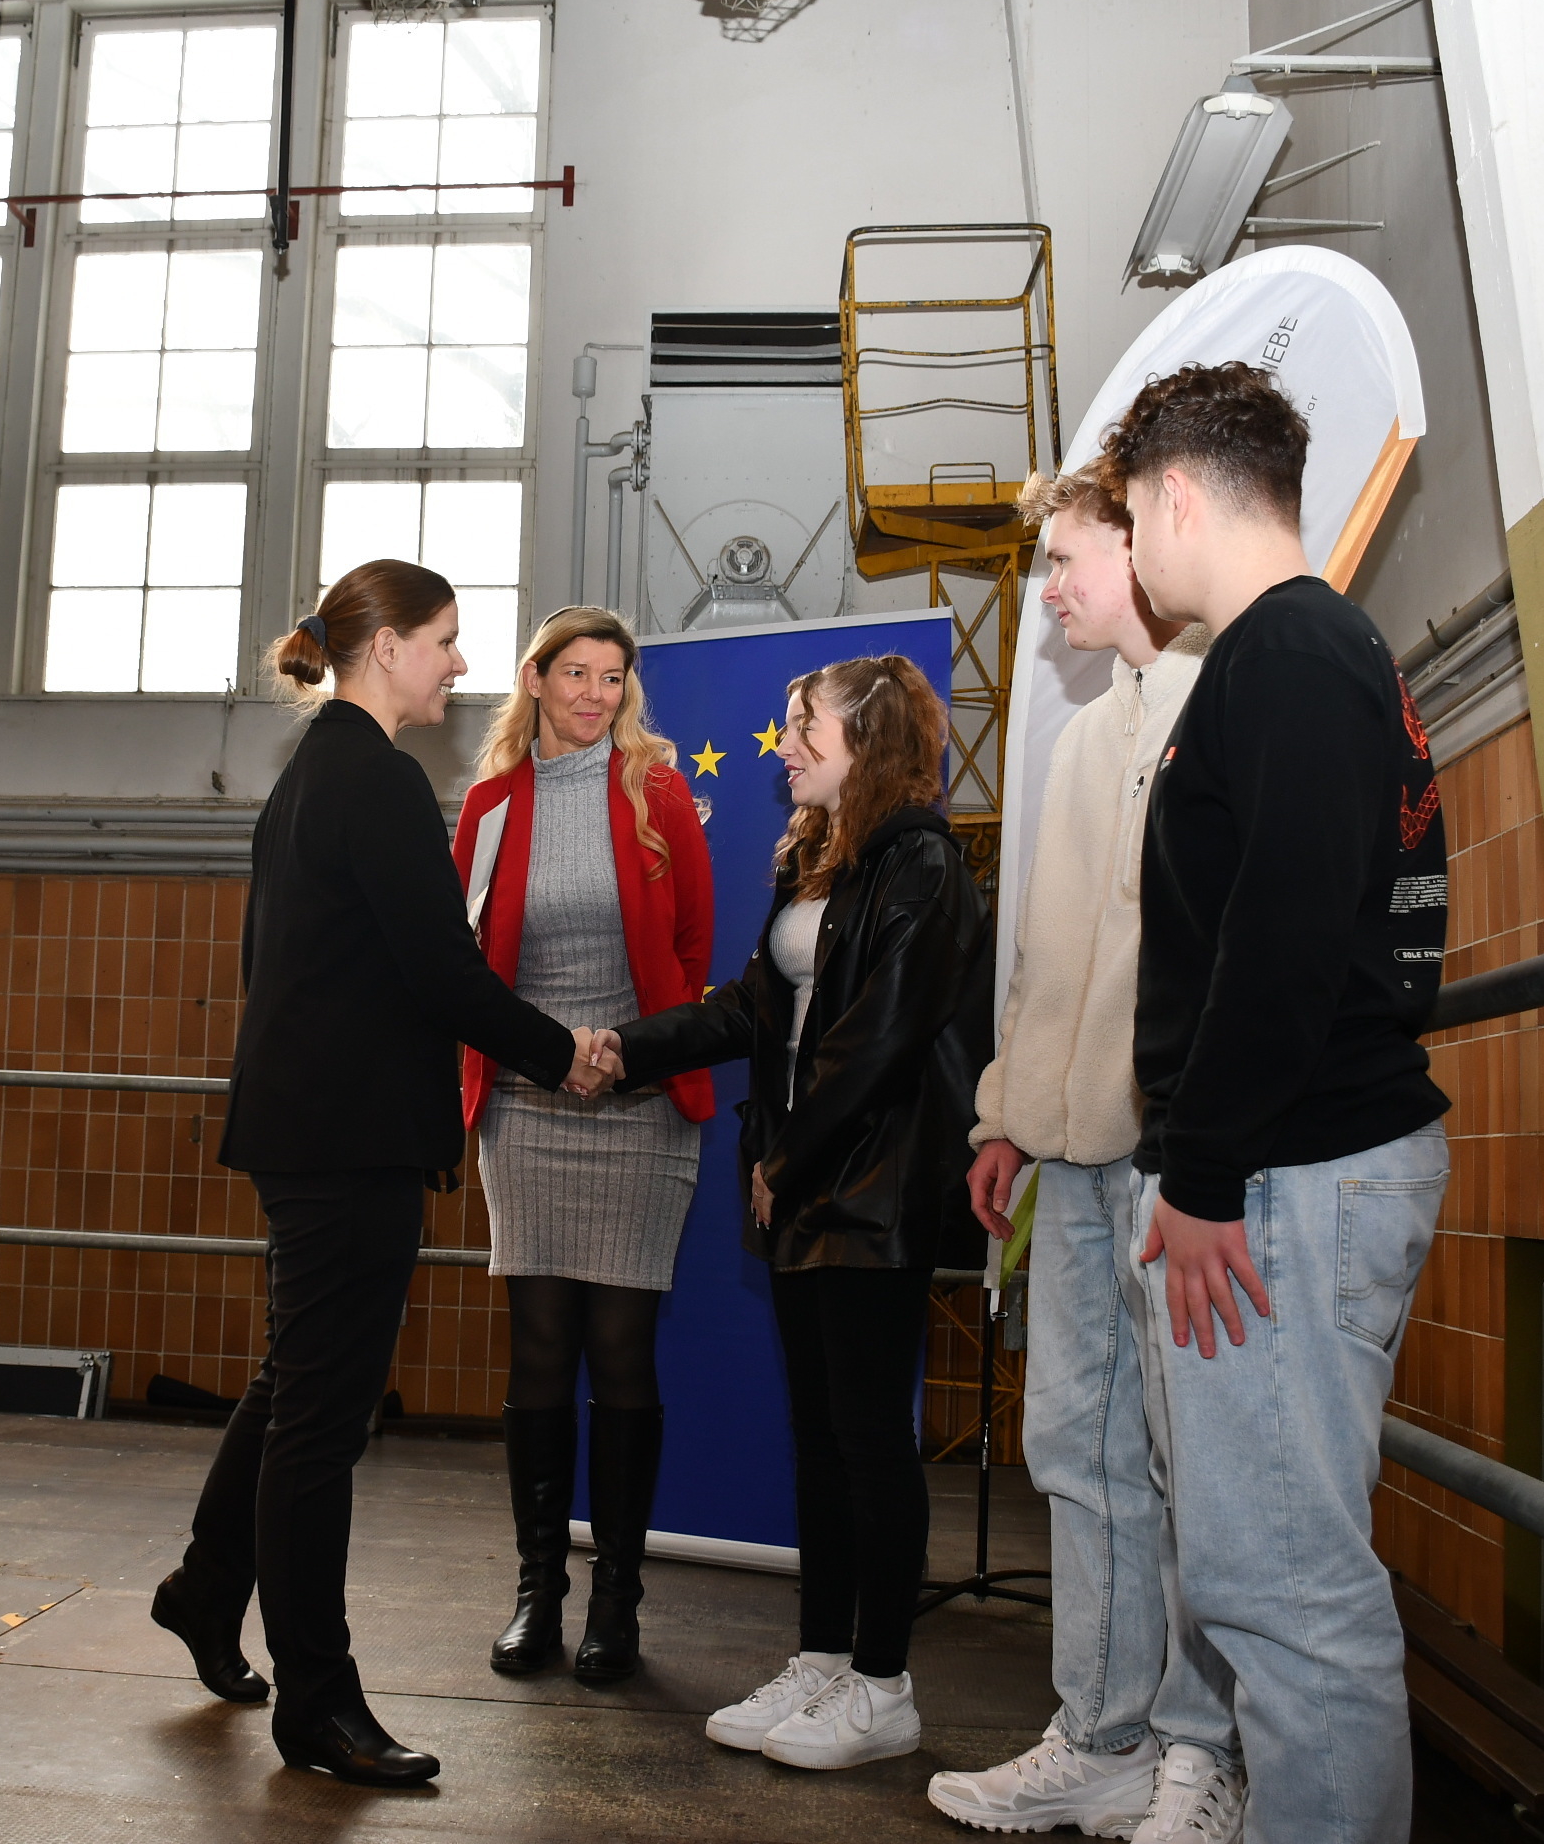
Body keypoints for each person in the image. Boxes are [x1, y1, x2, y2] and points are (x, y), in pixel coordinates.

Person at [147, 559, 605, 1789]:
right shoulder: (381, 779)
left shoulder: (309, 775)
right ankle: (319, 1701)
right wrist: (565, 1051)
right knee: (322, 1422)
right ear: (387, 646)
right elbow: (443, 972)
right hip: (348, 1136)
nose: (460, 663)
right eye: (446, 639)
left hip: (307, 1125)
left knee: (294, 1381)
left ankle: (206, 1586)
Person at [1116, 361, 1452, 1843]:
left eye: (1133, 520)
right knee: (1265, 1573)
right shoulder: (1296, 651)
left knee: (1287, 1591)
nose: (1134, 554)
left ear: (1178, 496)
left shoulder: (1293, 650)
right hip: (1290, 1162)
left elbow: (1289, 934)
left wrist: (1200, 1176)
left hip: (1287, 1173)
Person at [591, 653, 991, 1773]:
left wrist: (784, 1155)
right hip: (805, 1183)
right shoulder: (814, 857)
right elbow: (752, 1009)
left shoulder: (923, 864)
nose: (788, 748)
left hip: (873, 1186)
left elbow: (879, 1042)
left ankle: (883, 1684)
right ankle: (822, 1659)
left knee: (870, 1441)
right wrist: (626, 1047)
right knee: (819, 1440)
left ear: (871, 737)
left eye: (807, 726)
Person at [925, 468, 1244, 1840]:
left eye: (1064, 559)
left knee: (1190, 1460)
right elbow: (1045, 962)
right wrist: (1007, 1112)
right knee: (1074, 1443)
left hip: (1176, 1157)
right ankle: (1102, 1733)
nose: (1046, 588)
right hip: (1070, 1152)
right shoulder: (1077, 738)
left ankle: (1202, 1753)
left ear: (1141, 538)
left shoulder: (1227, 701)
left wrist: (1201, 1149)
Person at [454, 607, 714, 1685]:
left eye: (613, 677)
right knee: (540, 1350)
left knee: (621, 1352)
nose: (595, 695)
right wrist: (550, 1055)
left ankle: (617, 1599)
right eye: (576, 673)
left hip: (637, 1106)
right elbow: (465, 962)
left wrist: (623, 1055)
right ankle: (537, 1591)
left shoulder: (658, 793)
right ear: (536, 679)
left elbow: (692, 948)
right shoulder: (490, 806)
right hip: (525, 1108)